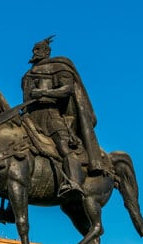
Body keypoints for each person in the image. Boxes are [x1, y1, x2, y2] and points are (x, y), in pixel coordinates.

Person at [19, 36, 107, 195]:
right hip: (29, 117)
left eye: (38, 49)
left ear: (47, 52)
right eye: (34, 49)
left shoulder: (59, 67)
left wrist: (44, 92)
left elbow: (68, 89)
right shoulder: (27, 75)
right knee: (14, 149)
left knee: (64, 147)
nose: (34, 52)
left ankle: (74, 182)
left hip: (50, 115)